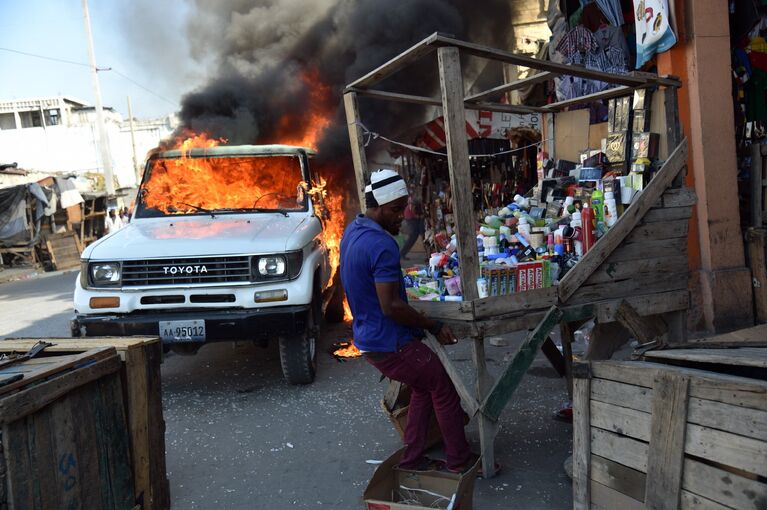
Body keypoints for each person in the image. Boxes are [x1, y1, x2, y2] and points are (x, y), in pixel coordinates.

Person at [340, 168, 476, 474]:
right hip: (388, 341)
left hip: (369, 336)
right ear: (377, 207)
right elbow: (391, 307)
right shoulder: (382, 244)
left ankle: (413, 459)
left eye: (404, 208)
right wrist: (434, 325)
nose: (402, 216)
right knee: (441, 386)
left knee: (423, 386)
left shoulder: (353, 231)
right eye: (396, 210)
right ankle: (460, 462)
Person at [399, 192, 425, 260]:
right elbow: (412, 208)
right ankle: (402, 253)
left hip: (411, 216)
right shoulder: (415, 199)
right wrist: (417, 216)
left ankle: (402, 253)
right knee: (413, 236)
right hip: (410, 217)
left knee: (414, 235)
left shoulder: (417, 198)